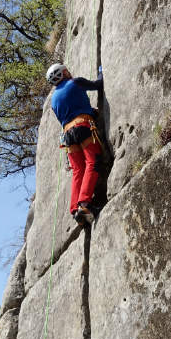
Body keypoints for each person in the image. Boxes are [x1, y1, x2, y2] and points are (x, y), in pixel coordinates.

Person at [46, 62, 104, 225]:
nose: (69, 71)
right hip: (82, 127)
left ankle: (74, 210)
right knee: (93, 162)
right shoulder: (75, 82)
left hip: (67, 136)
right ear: (63, 73)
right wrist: (101, 71)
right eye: (66, 70)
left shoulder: (54, 100)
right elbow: (98, 84)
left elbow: (68, 114)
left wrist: (89, 111)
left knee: (78, 169)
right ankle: (84, 204)